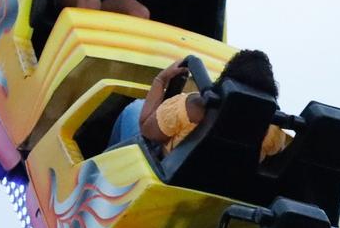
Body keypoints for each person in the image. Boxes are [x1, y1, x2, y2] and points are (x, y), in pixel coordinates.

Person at [109, 50, 286, 158]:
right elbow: (275, 152)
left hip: (167, 178)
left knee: (135, 109)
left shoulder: (190, 106)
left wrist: (161, 80)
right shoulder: (272, 131)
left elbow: (146, 129)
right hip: (218, 191)